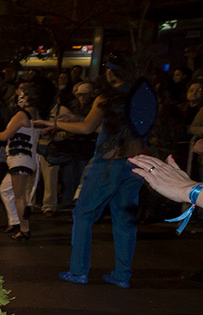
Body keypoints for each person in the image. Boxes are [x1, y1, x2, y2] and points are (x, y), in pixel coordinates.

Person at [34, 54, 152, 288]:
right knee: (124, 220)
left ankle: (78, 271)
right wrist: (76, 117)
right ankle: (122, 275)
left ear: (110, 73)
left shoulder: (106, 97)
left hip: (109, 165)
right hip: (136, 164)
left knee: (83, 215)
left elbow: (87, 128)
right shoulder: (141, 95)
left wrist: (55, 123)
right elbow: (110, 125)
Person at [0, 84, 40, 240]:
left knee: (19, 196)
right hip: (24, 158)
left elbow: (4, 136)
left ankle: (24, 229)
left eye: (21, 94)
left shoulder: (22, 115)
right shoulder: (34, 113)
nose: (18, 96)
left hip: (20, 159)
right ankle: (16, 222)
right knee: (6, 189)